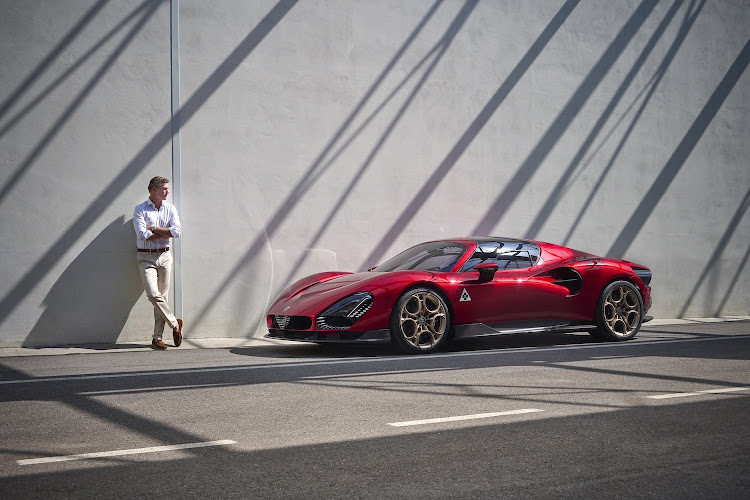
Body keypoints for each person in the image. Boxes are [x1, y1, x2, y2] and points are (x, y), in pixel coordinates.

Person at [133, 176, 183, 350]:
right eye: (164, 188)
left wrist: (153, 228)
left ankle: (157, 338)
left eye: (167, 188)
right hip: (146, 257)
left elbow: (176, 232)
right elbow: (142, 235)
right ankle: (175, 324)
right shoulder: (140, 209)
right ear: (153, 190)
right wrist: (165, 232)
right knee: (153, 295)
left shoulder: (170, 208)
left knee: (164, 296)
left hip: (165, 256)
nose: (167, 191)